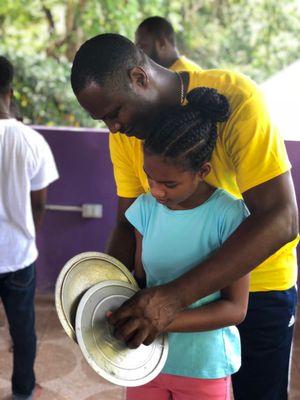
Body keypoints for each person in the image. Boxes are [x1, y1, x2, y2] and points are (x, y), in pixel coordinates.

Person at [70, 34, 299, 400]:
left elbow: (281, 218)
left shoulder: (237, 99)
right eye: (103, 120)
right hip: (169, 295)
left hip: (258, 291)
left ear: (139, 78)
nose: (112, 128)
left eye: (113, 114)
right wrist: (102, 294)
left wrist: (172, 299)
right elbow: (129, 223)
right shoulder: (125, 135)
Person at [125, 87, 249, 400]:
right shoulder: (145, 209)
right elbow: (141, 279)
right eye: (150, 178)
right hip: (146, 360)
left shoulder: (228, 215)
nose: (157, 191)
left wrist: (160, 319)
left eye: (169, 183)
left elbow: (235, 308)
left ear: (202, 171)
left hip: (202, 367)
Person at [0, 56, 59, 400]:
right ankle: (23, 391)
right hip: (19, 256)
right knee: (23, 331)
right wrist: (28, 236)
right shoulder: (31, 141)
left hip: (18, 253)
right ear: (10, 90)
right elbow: (39, 203)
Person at [135, 16, 201, 72]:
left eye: (142, 47)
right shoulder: (168, 74)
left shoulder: (185, 75)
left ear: (161, 44)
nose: (138, 53)